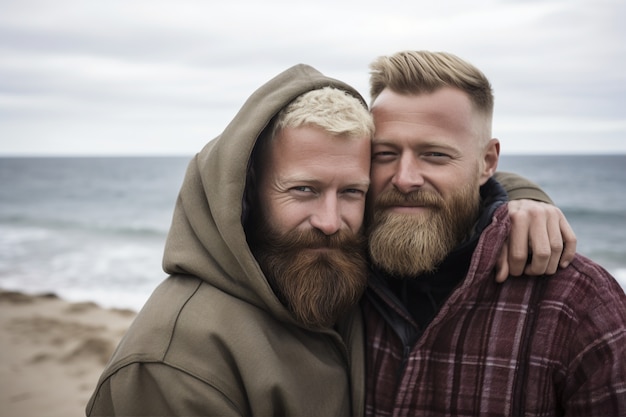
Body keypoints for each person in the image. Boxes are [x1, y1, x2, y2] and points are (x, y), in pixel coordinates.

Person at [86, 64, 572, 417]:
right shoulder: (174, 360)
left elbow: (443, 186)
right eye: (304, 190)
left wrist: (524, 202)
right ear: (245, 191)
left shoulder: (339, 268)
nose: (329, 220)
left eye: (352, 192)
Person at [363, 50, 626, 417]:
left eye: (435, 155)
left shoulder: (575, 303)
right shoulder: (342, 274)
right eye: (385, 153)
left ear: (488, 162)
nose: (405, 178)